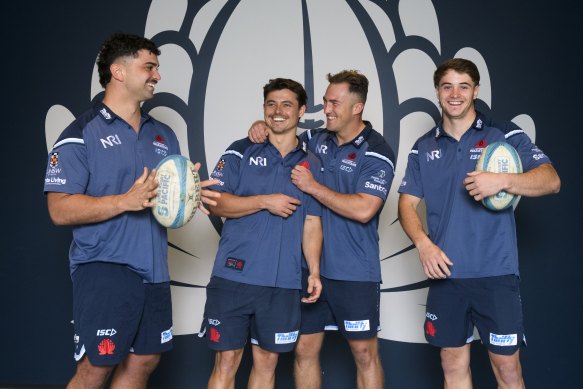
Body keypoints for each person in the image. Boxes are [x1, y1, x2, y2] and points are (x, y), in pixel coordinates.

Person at [44, 32, 220, 389]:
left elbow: (163, 199)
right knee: (96, 367)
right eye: (149, 67)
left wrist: (188, 195)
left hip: (154, 268)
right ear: (118, 72)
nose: (157, 75)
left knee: (143, 362)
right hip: (105, 266)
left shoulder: (164, 136)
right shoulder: (81, 133)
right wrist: (125, 200)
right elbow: (59, 210)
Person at [398, 58, 561, 388]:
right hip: (446, 275)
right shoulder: (423, 147)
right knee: (452, 365)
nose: (455, 94)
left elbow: (551, 180)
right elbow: (405, 204)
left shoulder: (502, 134)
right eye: (447, 86)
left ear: (475, 90)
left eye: (463, 86)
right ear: (437, 91)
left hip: (495, 274)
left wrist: (502, 181)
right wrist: (423, 244)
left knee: (507, 370)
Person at [249, 70, 394, 389]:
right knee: (304, 350)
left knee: (365, 354)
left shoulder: (377, 150)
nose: (326, 109)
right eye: (326, 102)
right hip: (306, 270)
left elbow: (364, 209)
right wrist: (261, 128)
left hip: (354, 271)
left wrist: (313, 187)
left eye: (334, 103)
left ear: (357, 107)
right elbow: (280, 135)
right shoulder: (315, 140)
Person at [200, 78, 324, 389]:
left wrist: (315, 271)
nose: (278, 111)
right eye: (271, 104)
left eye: (286, 105)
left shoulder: (312, 163)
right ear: (263, 109)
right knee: (226, 362)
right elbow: (214, 203)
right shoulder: (240, 149)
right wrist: (264, 202)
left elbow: (312, 222)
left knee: (267, 363)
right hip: (233, 278)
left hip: (282, 282)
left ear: (302, 111)